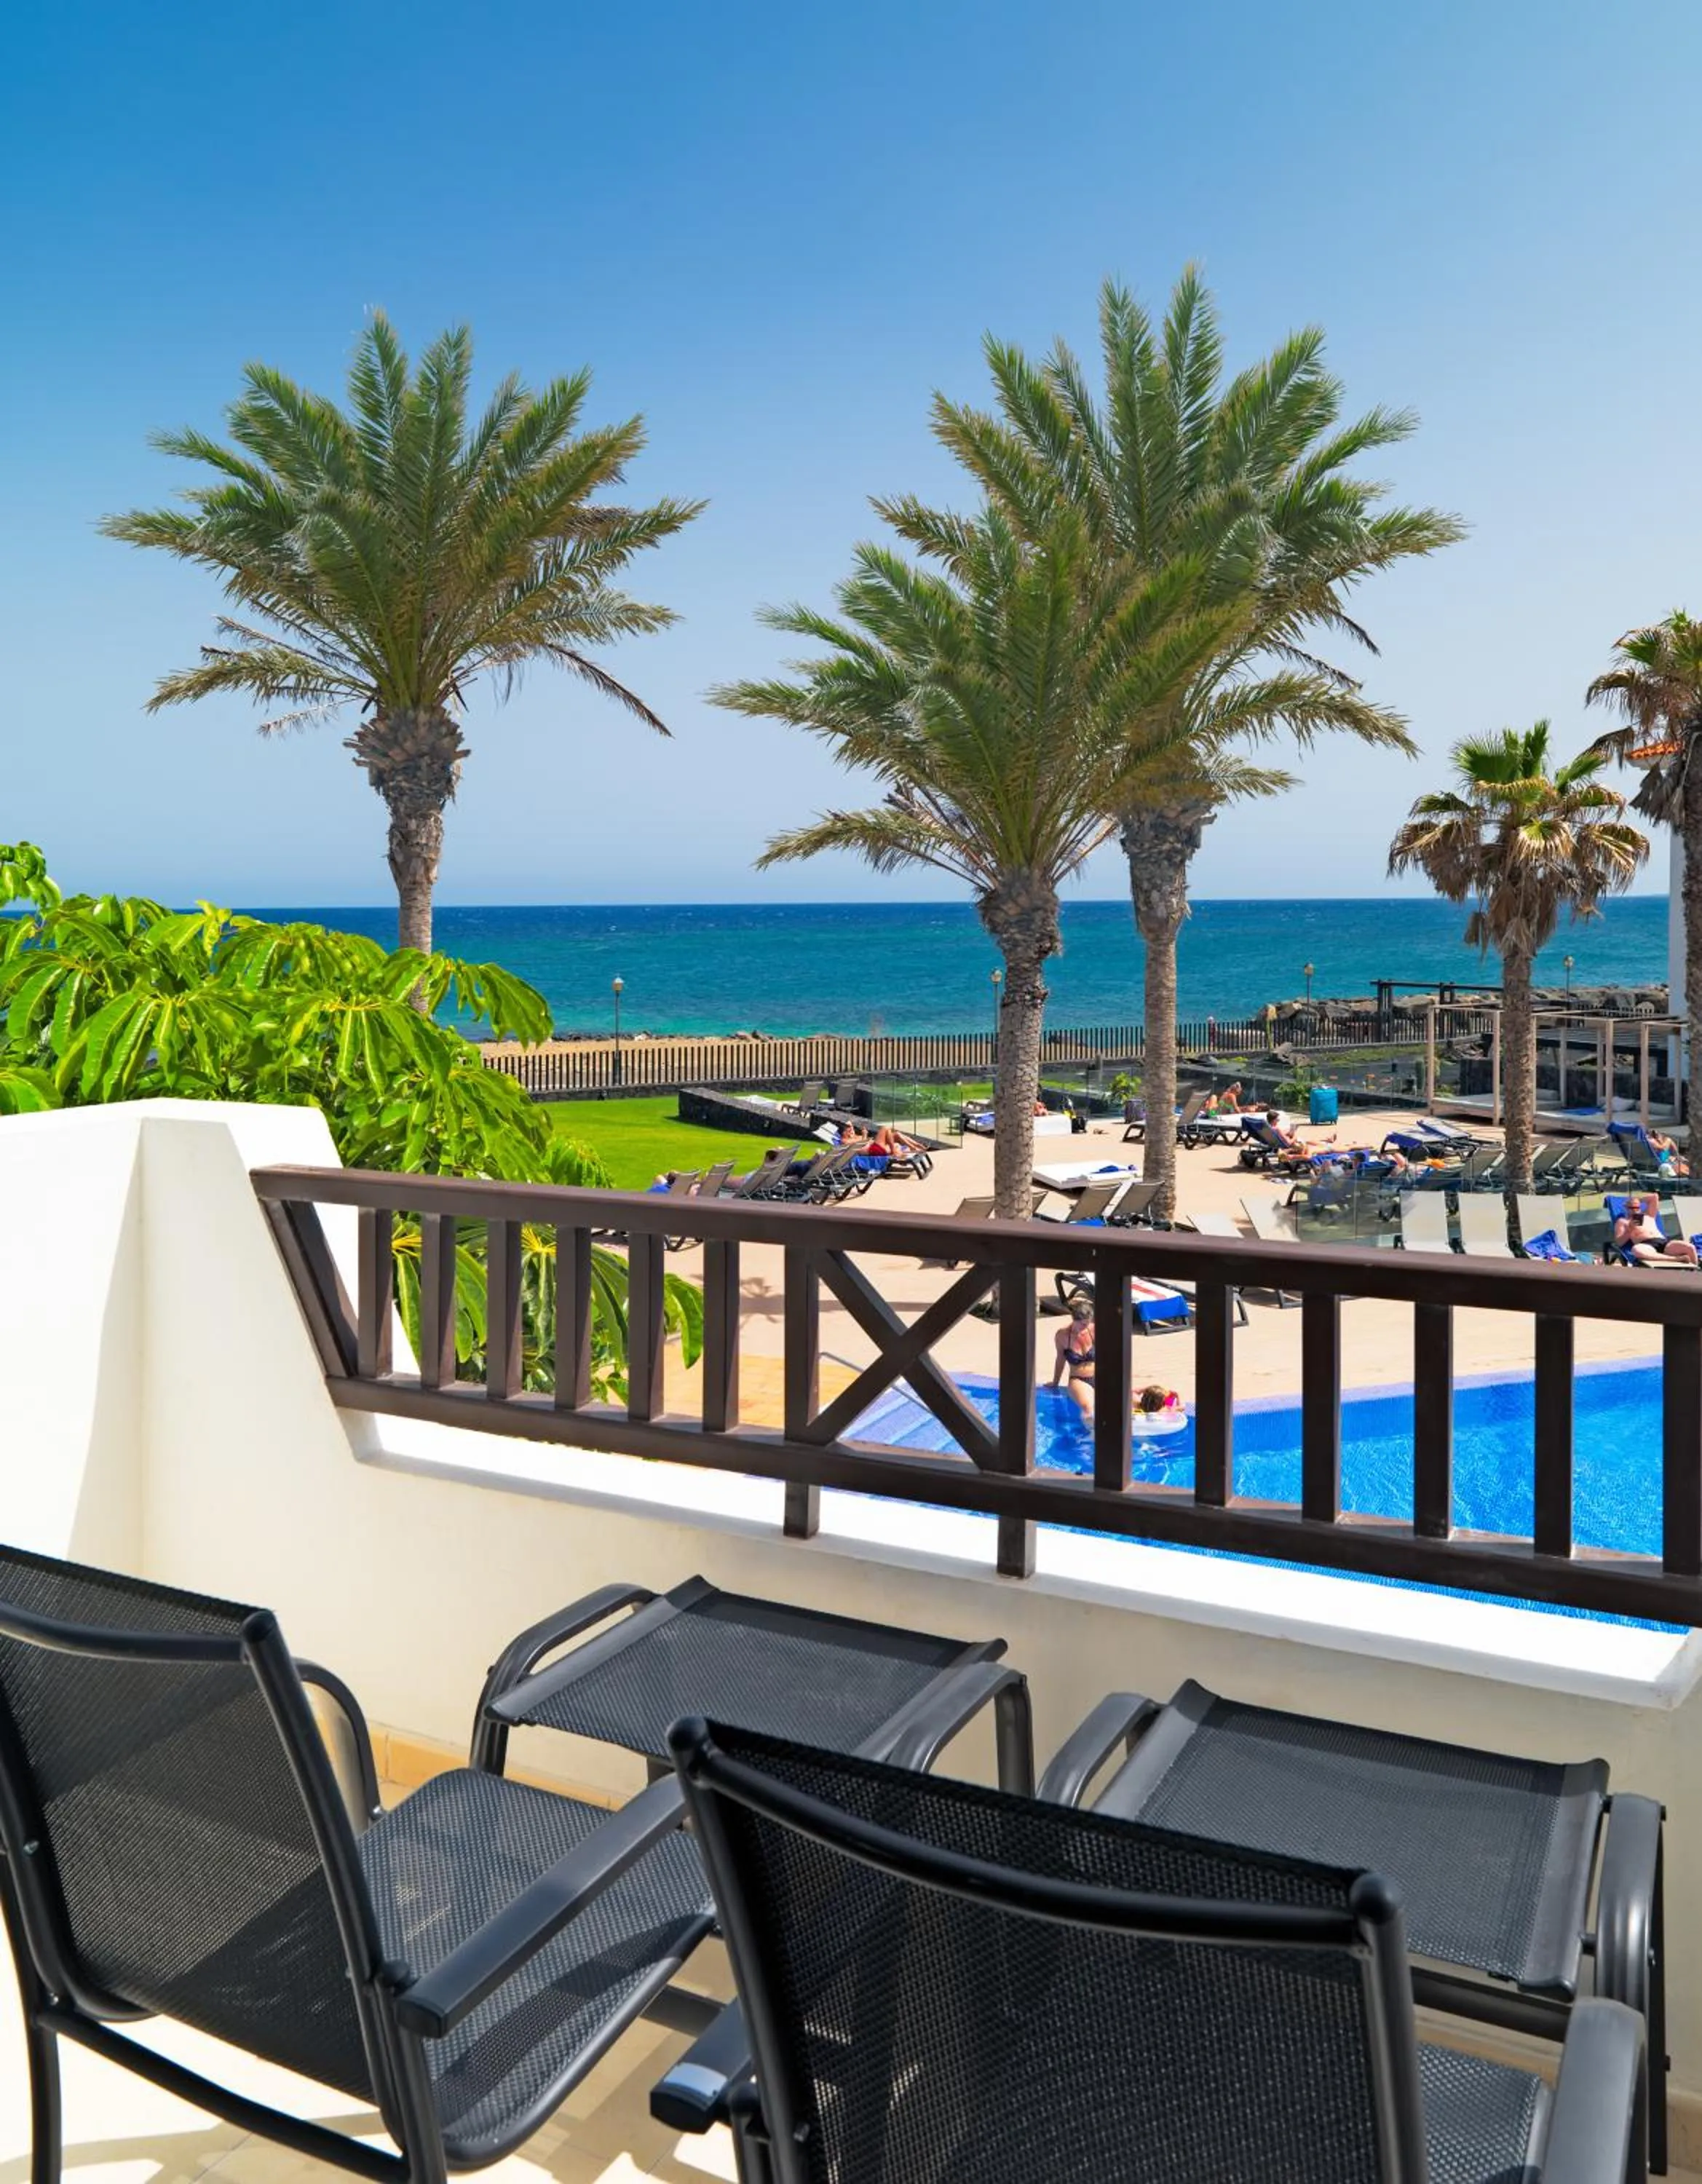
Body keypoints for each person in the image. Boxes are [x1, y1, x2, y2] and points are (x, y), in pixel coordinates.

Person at [1614, 1192, 1698, 1267]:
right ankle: (1677, 1259)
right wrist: (1630, 1229)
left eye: (1637, 1207)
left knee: (1690, 1247)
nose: (1635, 1210)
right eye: (1631, 1208)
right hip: (1646, 1245)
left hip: (1664, 1243)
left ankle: (1697, 1273)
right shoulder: (1623, 1222)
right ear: (1626, 1208)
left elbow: (1655, 1196)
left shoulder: (1649, 1214)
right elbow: (1619, 1242)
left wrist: (1637, 1200)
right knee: (1636, 1250)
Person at [1051, 1296, 1096, 1420]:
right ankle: (1090, 1436)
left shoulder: (1094, 1330)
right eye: (1082, 1324)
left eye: (1088, 1323)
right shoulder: (1063, 1335)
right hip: (1079, 1380)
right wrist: (1055, 1382)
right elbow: (1060, 1359)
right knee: (1088, 1408)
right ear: (1074, 1319)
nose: (1085, 1327)